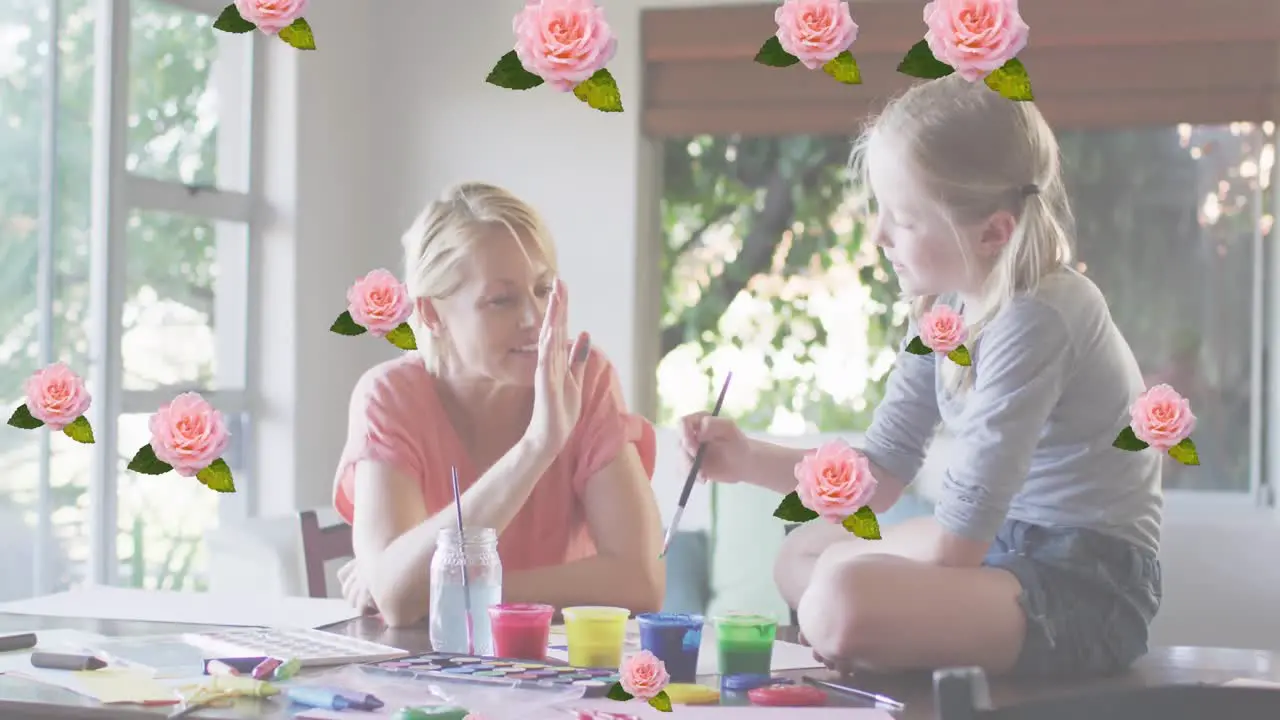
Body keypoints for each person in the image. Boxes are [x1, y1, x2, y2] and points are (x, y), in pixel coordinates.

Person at [680, 75, 1162, 679]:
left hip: (1081, 583)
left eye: (904, 218)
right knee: (800, 551)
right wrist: (747, 458)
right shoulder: (944, 311)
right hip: (998, 553)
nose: (879, 235)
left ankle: (860, 632)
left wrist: (850, 566)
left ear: (993, 232)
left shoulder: (1038, 315)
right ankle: (870, 630)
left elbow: (958, 544)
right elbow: (879, 473)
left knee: (840, 593)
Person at [334, 182, 665, 627]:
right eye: (502, 300)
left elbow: (640, 583)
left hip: (560, 676)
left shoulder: (583, 379)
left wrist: (453, 587)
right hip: (434, 681)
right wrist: (537, 447)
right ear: (432, 314)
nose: (535, 318)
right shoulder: (390, 398)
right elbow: (399, 603)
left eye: (543, 290)